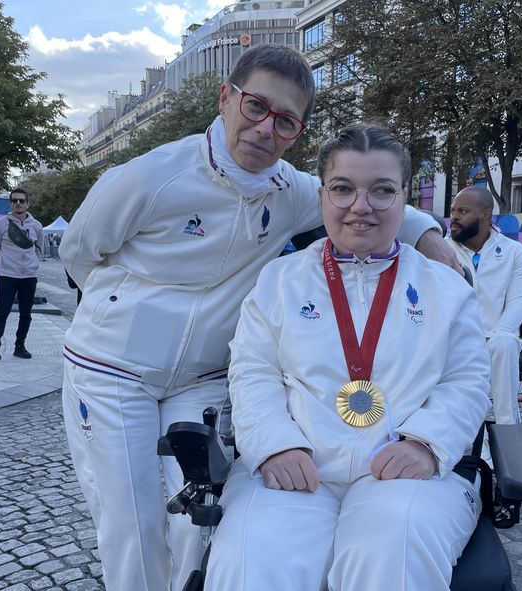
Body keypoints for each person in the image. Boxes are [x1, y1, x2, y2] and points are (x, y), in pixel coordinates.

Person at [59, 45, 460, 591]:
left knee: (196, 521)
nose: (265, 129)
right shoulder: (150, 177)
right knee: (132, 519)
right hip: (112, 370)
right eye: (255, 107)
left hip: (198, 376)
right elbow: (80, 252)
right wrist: (123, 315)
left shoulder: (288, 189)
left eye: (286, 121)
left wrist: (430, 236)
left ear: (297, 132)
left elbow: (361, 194)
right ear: (226, 97)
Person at [205, 124, 491, 590]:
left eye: (381, 191)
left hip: (406, 473)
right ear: (322, 197)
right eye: (343, 189)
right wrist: (275, 443)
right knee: (251, 559)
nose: (361, 207)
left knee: (390, 553)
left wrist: (426, 443)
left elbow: (468, 379)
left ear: (404, 198)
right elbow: (253, 369)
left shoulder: (446, 289)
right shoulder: (280, 280)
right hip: (298, 467)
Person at [447, 187, 522, 424]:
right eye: (453, 211)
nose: (454, 217)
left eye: (462, 211)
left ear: (485, 215)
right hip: (453, 338)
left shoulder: (514, 252)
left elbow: (518, 301)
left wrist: (497, 334)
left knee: (504, 344)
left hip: (497, 337)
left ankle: (507, 427)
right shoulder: (442, 252)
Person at [0, 188, 44, 363]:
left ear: (27, 204)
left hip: (29, 277)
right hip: (7, 276)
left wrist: (31, 265)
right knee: (1, 312)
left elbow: (38, 249)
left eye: (21, 201)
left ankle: (20, 346)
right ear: (10, 203)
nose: (18, 203)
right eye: (14, 200)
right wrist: (6, 266)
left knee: (26, 313)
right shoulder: (0, 224)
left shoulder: (36, 226)